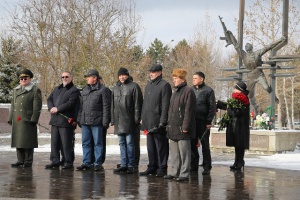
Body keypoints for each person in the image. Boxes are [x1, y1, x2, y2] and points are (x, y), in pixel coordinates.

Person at [226, 30, 286, 115]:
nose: (247, 46)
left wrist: (280, 39)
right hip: (250, 76)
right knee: (250, 95)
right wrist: (231, 35)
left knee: (266, 87)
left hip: (258, 74)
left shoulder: (258, 53)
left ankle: (274, 97)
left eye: (248, 45)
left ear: (251, 47)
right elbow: (236, 45)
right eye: (246, 46)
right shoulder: (243, 55)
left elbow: (268, 46)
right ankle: (256, 108)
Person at [164, 69, 196, 182]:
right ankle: (174, 172)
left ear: (182, 79)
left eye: (176, 79)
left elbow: (189, 111)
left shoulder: (188, 91)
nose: (174, 81)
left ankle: (184, 173)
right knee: (174, 153)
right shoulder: (175, 92)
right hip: (172, 128)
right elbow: (170, 110)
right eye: (173, 79)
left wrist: (185, 126)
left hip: (182, 128)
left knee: (184, 153)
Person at [140, 64, 172, 177]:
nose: (151, 74)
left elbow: (165, 105)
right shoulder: (148, 85)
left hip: (158, 121)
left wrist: (163, 121)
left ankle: (162, 168)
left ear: (160, 73)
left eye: (153, 72)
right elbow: (145, 104)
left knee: (161, 147)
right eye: (150, 72)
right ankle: (152, 167)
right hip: (148, 121)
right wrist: (143, 119)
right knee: (151, 147)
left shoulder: (165, 85)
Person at [76, 69, 111, 171]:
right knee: (86, 143)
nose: (86, 78)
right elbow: (81, 106)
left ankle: (98, 163)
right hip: (85, 121)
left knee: (98, 143)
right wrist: (80, 118)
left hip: (97, 121)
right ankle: (87, 162)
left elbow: (106, 106)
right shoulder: (85, 90)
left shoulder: (103, 90)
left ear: (95, 78)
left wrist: (105, 121)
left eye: (88, 77)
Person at [8, 67, 42, 168]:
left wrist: (34, 119)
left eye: (25, 78)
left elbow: (37, 107)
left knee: (27, 141)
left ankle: (28, 160)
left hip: (27, 119)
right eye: (21, 79)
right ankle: (20, 160)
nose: (23, 80)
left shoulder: (35, 90)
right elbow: (12, 105)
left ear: (30, 78)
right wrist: (10, 118)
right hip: (17, 119)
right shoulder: (16, 90)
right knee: (18, 140)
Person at [45, 71, 80, 169]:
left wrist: (58, 109)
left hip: (65, 121)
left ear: (71, 78)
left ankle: (68, 161)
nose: (64, 78)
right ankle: (55, 161)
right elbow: (49, 99)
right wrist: (51, 107)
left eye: (66, 77)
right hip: (55, 120)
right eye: (63, 77)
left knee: (66, 143)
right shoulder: (57, 89)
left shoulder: (74, 90)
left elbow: (70, 103)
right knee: (55, 142)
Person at [111, 67, 143, 174]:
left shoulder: (134, 86)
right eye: (120, 75)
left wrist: (137, 119)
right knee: (122, 143)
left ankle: (131, 165)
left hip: (129, 120)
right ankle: (123, 164)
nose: (121, 77)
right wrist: (113, 119)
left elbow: (138, 104)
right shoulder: (115, 88)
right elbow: (113, 105)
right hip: (119, 121)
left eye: (123, 75)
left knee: (130, 143)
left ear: (127, 75)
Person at [216, 81, 250, 170]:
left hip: (241, 126)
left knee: (240, 144)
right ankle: (236, 161)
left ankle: (240, 161)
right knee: (236, 144)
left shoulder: (244, 99)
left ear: (240, 90)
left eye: (236, 88)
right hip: (235, 125)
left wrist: (229, 111)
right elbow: (229, 106)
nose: (234, 90)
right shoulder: (236, 99)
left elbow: (237, 112)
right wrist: (219, 103)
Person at [190, 71, 216, 175]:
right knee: (192, 145)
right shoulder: (190, 90)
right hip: (192, 122)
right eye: (193, 78)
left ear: (202, 79)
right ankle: (193, 166)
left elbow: (212, 107)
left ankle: (206, 166)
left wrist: (209, 120)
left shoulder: (208, 91)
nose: (193, 80)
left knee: (205, 145)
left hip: (203, 122)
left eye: (195, 78)